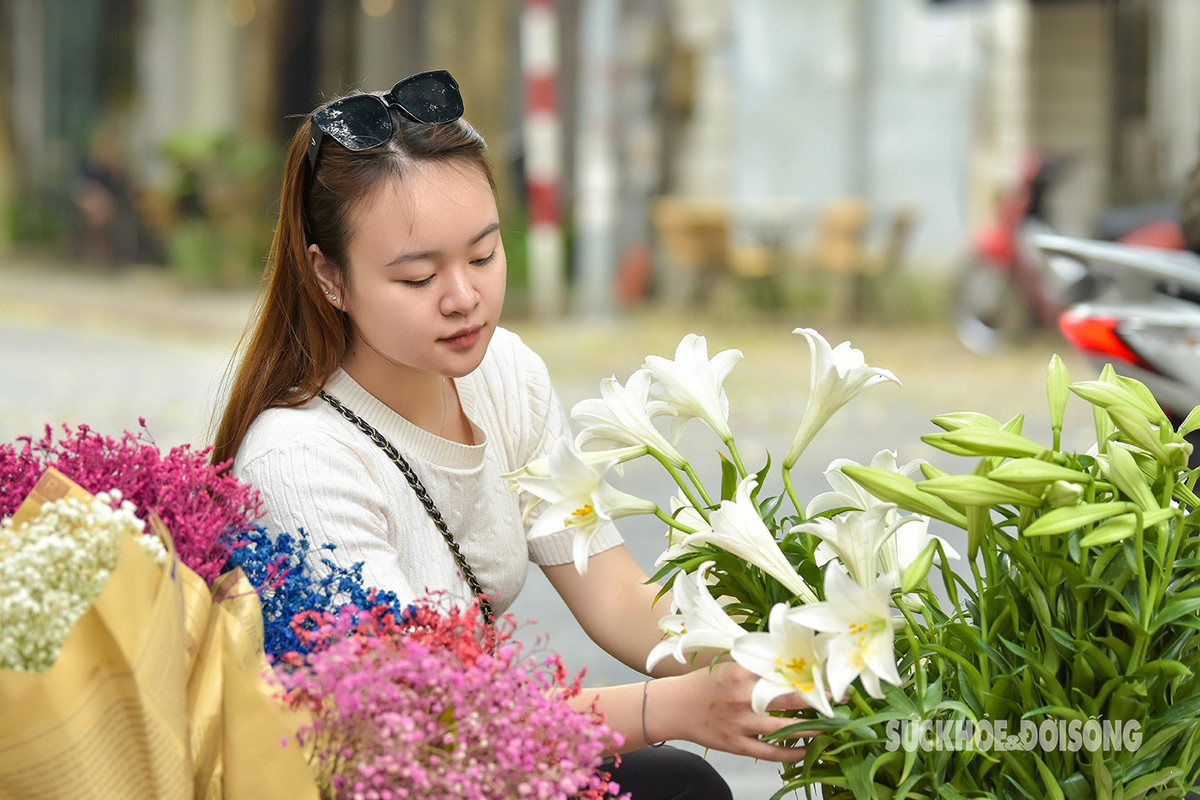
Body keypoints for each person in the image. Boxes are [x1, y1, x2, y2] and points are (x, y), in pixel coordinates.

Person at [211, 69, 811, 798]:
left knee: (674, 785)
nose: (463, 298)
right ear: (329, 278)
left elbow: (614, 592)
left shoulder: (504, 375)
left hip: (479, 767)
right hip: (386, 774)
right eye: (416, 277)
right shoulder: (298, 460)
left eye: (483, 255)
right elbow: (420, 725)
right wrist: (672, 708)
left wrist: (778, 665)